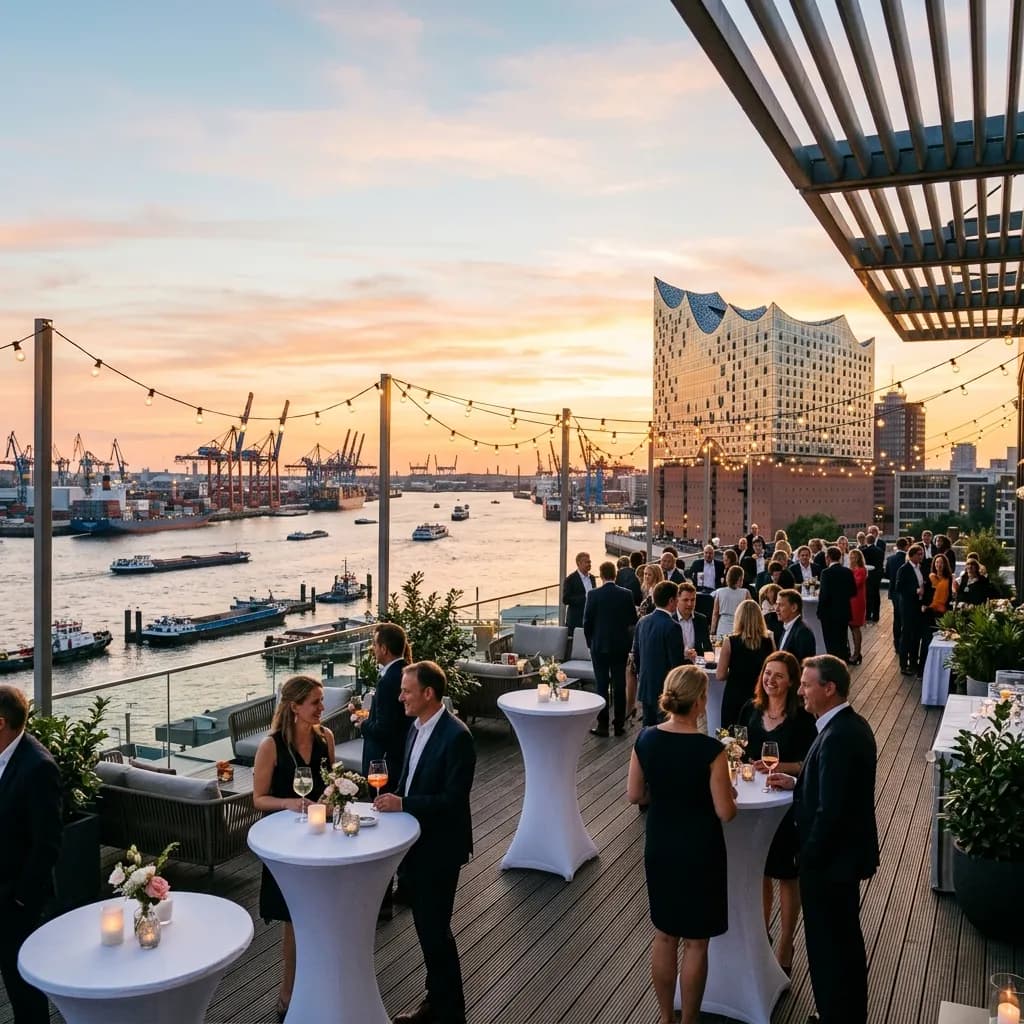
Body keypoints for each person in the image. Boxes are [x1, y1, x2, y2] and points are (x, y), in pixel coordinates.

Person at [768, 656, 879, 1024]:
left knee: (831, 947)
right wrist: (799, 783)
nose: (799, 690)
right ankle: (837, 1011)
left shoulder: (839, 736)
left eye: (806, 684)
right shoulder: (845, 727)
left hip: (831, 864)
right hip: (839, 859)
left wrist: (807, 858)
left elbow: (830, 812)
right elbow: (833, 791)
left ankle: (837, 1015)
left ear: (829, 688)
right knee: (841, 942)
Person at [627, 665, 737, 1024]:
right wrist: (729, 794)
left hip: (660, 844)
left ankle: (664, 1018)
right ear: (701, 702)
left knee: (663, 936)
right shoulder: (711, 750)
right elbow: (725, 812)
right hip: (700, 850)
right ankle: (689, 1020)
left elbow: (634, 794)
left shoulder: (645, 738)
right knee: (695, 943)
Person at [376, 661, 476, 1024]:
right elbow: (410, 780)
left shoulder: (457, 736)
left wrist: (404, 803)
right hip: (415, 846)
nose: (400, 696)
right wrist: (391, 802)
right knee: (427, 929)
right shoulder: (414, 729)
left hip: (441, 848)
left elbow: (453, 800)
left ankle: (450, 1013)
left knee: (435, 931)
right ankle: (436, 1003)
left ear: (428, 693)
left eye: (406, 691)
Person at [253, 675, 336, 1021]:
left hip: (321, 836)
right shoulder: (271, 746)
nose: (322, 708)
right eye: (315, 702)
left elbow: (330, 786)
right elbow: (258, 799)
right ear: (294, 707)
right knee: (294, 919)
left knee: (323, 916)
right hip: (286, 842)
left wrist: (333, 800)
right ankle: (288, 991)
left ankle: (323, 986)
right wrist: (288, 803)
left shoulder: (326, 738)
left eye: (321, 701)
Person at [737, 652, 816, 974]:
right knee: (760, 871)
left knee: (786, 874)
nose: (771, 680)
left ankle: (785, 941)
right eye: (767, 673)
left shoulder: (802, 720)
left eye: (779, 675)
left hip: (784, 803)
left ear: (792, 681)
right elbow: (738, 747)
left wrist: (778, 766)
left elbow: (808, 762)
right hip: (753, 800)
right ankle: (760, 934)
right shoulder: (750, 709)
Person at [0, 685, 62, 1024]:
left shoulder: (38, 767)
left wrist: (21, 899)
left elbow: (48, 843)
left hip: (14, 900)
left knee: (22, 985)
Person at [354, 622, 413, 920]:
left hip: (384, 765)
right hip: (396, 761)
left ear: (384, 648)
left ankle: (382, 900)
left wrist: (363, 723)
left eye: (374, 645)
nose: (372, 649)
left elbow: (386, 730)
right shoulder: (401, 673)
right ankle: (405, 887)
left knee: (382, 826)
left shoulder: (391, 680)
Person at [584, 561, 638, 737]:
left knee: (601, 686)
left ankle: (602, 725)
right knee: (619, 685)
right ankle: (619, 725)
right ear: (615, 575)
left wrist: (590, 643)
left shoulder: (593, 595)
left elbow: (587, 623)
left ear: (601, 575)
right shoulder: (626, 594)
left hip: (599, 646)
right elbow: (632, 620)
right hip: (620, 645)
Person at [631, 581, 686, 727]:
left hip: (645, 684)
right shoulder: (673, 626)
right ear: (671, 601)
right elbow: (676, 665)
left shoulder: (642, 622)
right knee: (665, 731)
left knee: (647, 729)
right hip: (665, 690)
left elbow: (636, 654)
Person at [716, 599, 775, 729]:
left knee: (731, 736)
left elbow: (720, 675)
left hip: (735, 694)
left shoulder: (730, 642)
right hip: (758, 694)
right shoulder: (768, 642)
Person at [896, 544, 930, 676]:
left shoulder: (920, 568)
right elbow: (899, 587)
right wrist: (915, 590)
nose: (921, 556)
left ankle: (914, 662)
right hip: (908, 606)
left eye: (922, 554)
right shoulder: (904, 569)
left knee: (915, 635)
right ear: (912, 555)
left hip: (918, 606)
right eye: (919, 554)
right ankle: (904, 664)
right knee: (906, 634)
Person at [817, 546, 856, 662]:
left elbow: (824, 595)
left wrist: (819, 611)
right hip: (844, 611)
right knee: (842, 639)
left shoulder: (826, 573)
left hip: (829, 613)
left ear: (828, 558)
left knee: (830, 641)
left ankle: (832, 663)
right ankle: (843, 661)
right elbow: (853, 591)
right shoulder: (848, 571)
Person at [773, 588, 817, 662]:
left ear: (794, 608)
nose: (776, 609)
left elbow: (805, 664)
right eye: (776, 604)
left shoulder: (803, 632)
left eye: (781, 605)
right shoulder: (786, 627)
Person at [675, 581, 711, 662]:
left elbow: (708, 648)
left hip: (696, 666)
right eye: (685, 600)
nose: (689, 604)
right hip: (675, 667)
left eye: (693, 600)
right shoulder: (670, 620)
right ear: (677, 600)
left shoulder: (702, 620)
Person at [884, 538, 909, 654]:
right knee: (906, 617)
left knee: (897, 618)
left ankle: (896, 643)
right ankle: (905, 643)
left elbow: (887, 575)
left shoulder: (890, 559)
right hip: (906, 592)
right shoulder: (907, 560)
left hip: (894, 591)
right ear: (906, 546)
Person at [711, 564, 748, 638]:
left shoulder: (719, 592)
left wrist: (712, 630)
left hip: (723, 626)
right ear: (740, 578)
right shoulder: (745, 592)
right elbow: (751, 611)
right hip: (739, 626)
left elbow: (715, 613)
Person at [562, 551, 595, 632]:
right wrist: (585, 597)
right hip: (576, 621)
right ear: (579, 563)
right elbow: (565, 599)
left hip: (590, 619)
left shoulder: (592, 578)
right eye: (586, 562)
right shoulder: (570, 579)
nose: (589, 564)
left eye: (589, 561)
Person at [847, 548, 868, 666]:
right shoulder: (850, 570)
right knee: (851, 626)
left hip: (857, 601)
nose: (852, 559)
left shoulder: (861, 570)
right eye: (851, 557)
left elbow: (856, 584)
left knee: (855, 627)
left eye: (854, 557)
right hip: (849, 601)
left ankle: (857, 653)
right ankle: (854, 652)